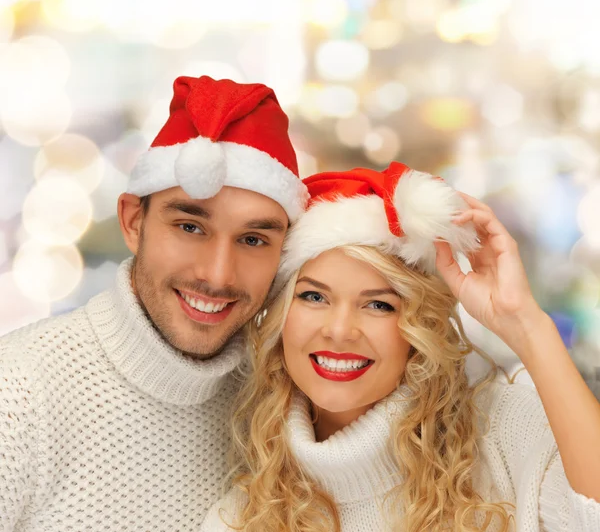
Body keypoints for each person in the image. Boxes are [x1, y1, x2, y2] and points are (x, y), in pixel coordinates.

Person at [201, 163, 600, 531]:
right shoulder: (240, 519)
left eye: (378, 304)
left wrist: (527, 325)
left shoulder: (504, 433)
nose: (340, 331)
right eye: (314, 297)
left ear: (418, 325)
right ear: (280, 315)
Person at [0, 75, 308, 532]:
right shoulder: (18, 395)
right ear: (132, 221)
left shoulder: (279, 404)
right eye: (190, 227)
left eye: (252, 239)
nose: (217, 274)